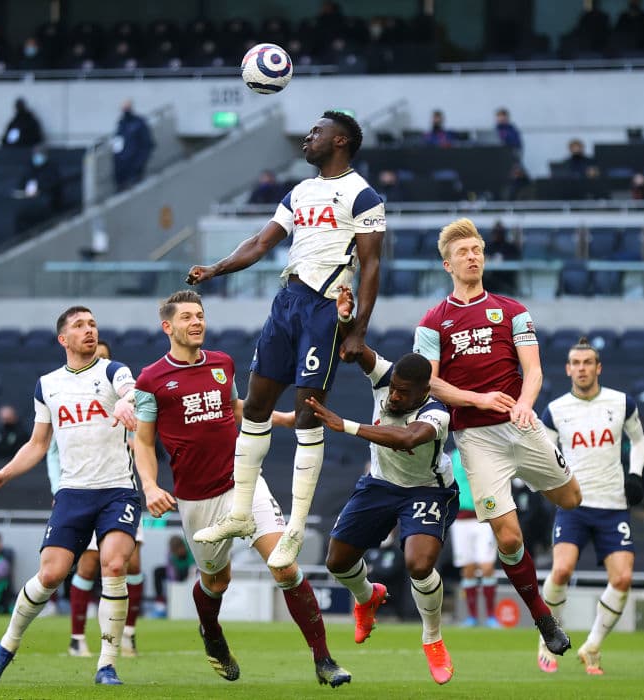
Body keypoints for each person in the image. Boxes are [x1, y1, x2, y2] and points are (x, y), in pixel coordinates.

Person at [185, 110, 384, 571]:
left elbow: (372, 265)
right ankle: (239, 514)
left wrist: (358, 331)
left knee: (306, 413)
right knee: (255, 406)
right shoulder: (299, 192)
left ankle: (294, 528)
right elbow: (260, 243)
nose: (307, 138)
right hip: (288, 301)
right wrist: (216, 269)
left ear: (340, 142)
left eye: (317, 132)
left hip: (325, 305)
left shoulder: (363, 194)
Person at [132, 289, 352, 687]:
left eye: (200, 315)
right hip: (197, 499)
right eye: (187, 317)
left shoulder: (221, 364)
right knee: (217, 582)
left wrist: (282, 417)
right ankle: (212, 635)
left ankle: (324, 660)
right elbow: (143, 442)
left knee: (284, 565)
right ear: (167, 327)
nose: (196, 322)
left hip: (243, 484)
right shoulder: (151, 380)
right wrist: (149, 486)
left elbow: (237, 409)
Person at [412, 217, 582, 662]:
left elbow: (535, 370)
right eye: (464, 252)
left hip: (522, 426)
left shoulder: (512, 310)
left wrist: (525, 402)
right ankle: (544, 617)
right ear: (448, 263)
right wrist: (480, 399)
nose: (473, 257)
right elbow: (430, 383)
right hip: (476, 439)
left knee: (571, 499)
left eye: (477, 250)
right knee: (507, 539)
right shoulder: (433, 321)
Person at [0, 305, 140, 685]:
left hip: (117, 489)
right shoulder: (47, 384)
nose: (89, 330)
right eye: (80, 326)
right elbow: (37, 443)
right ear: (63, 339)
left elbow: (131, 392)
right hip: (73, 493)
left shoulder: (114, 370)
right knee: (50, 575)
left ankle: (106, 664)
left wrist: (129, 403)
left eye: (93, 324)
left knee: (114, 566)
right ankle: (7, 645)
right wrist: (5, 473)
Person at [300, 285, 454, 684]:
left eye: (405, 394)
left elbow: (405, 438)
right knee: (337, 561)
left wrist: (343, 424)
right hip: (381, 484)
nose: (395, 397)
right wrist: (346, 319)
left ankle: (433, 639)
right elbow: (356, 349)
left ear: (424, 392)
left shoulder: (437, 413)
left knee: (419, 563)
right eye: (395, 389)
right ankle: (368, 597)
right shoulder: (387, 378)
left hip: (427, 489)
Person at [537, 337, 644, 675]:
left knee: (623, 578)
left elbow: (639, 440)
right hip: (574, 504)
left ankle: (593, 645)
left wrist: (635, 475)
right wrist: (549, 487)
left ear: (598, 368)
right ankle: (548, 637)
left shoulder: (621, 402)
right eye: (576, 363)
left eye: (588, 362)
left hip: (613, 504)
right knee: (561, 570)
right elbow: (544, 456)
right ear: (568, 368)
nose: (582, 368)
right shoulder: (555, 410)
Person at [52, 339, 146, 659]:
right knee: (89, 565)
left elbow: (145, 441)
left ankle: (128, 635)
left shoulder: (123, 394)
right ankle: (77, 637)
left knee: (131, 562)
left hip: (121, 491)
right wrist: (58, 489)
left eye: (104, 357)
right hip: (83, 492)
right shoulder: (67, 397)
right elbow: (52, 451)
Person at [448, 448, 500, 628]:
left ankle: (492, 616)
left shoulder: (484, 452)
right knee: (468, 568)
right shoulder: (451, 457)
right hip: (460, 520)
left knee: (486, 567)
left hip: (482, 519)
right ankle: (472, 617)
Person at [13, 146, 62, 234]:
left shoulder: (52, 169)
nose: (37, 157)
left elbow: (54, 186)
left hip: (46, 201)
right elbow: (21, 184)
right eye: (35, 154)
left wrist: (40, 190)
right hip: (28, 202)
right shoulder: (28, 168)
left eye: (40, 154)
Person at [113, 99, 154, 191]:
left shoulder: (139, 123)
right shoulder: (121, 124)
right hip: (122, 168)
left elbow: (147, 144)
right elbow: (117, 147)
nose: (125, 111)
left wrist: (139, 164)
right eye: (124, 108)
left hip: (135, 166)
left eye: (127, 108)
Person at [151, 535, 195, 615]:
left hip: (189, 574)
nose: (177, 554)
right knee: (157, 571)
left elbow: (194, 570)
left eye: (178, 551)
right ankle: (160, 602)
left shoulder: (191, 549)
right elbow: (170, 570)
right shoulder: (170, 553)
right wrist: (174, 589)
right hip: (176, 573)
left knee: (187, 573)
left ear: (183, 547)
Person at [481, 221, 520, 295]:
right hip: (490, 277)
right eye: (495, 232)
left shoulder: (509, 246)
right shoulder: (488, 246)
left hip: (505, 276)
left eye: (499, 232)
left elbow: (515, 259)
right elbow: (483, 257)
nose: (497, 235)